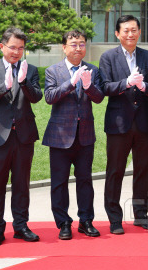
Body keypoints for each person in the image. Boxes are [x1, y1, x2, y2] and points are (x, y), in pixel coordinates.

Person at [0, 27, 43, 247]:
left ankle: (21, 226)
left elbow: (36, 98)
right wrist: (4, 86)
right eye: (13, 47)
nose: (16, 52)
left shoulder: (30, 69)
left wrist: (23, 82)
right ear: (2, 46)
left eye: (21, 48)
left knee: (22, 183)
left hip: (23, 135)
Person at [99, 15, 148, 234]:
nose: (130, 34)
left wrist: (144, 87)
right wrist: (126, 83)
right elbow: (105, 87)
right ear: (117, 33)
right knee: (115, 170)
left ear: (139, 32)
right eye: (126, 30)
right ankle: (114, 218)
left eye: (134, 30)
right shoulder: (108, 57)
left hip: (143, 121)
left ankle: (141, 215)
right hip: (118, 122)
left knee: (143, 169)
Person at [42, 30, 104, 240]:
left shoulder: (93, 70)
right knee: (59, 182)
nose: (78, 48)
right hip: (60, 136)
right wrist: (70, 83)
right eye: (73, 44)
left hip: (85, 135)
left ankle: (86, 221)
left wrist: (88, 85)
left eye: (82, 44)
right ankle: (63, 223)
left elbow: (99, 98)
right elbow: (49, 97)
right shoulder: (53, 71)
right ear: (64, 47)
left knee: (85, 180)